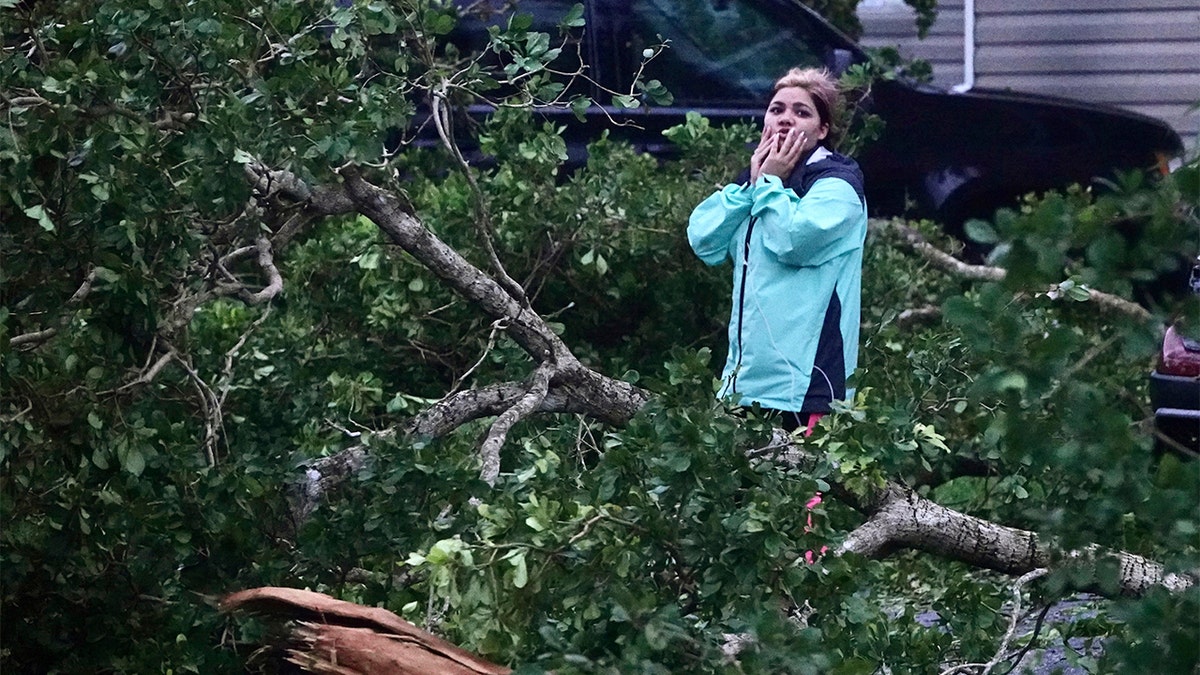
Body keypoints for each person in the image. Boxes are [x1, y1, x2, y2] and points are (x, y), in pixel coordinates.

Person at [687, 67, 867, 434]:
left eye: (802, 112)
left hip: (808, 388)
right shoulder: (758, 182)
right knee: (738, 491)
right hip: (745, 383)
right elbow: (704, 239)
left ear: (822, 130)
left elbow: (793, 241)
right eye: (777, 109)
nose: (786, 118)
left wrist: (769, 183)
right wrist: (753, 187)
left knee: (805, 493)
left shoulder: (838, 186)